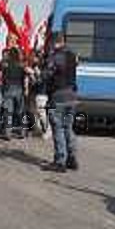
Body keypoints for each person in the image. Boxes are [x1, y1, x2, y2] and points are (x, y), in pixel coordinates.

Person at [44, 33, 78, 172]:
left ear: (54, 42)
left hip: (59, 96)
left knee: (57, 127)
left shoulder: (56, 57)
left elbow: (47, 74)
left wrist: (36, 73)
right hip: (72, 96)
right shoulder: (72, 55)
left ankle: (60, 161)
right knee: (68, 127)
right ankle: (72, 158)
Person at [0, 45, 26, 140]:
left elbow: (0, 70)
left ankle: (8, 133)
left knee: (8, 112)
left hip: (8, 88)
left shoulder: (5, 64)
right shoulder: (21, 64)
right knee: (21, 112)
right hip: (19, 88)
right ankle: (23, 131)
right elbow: (24, 77)